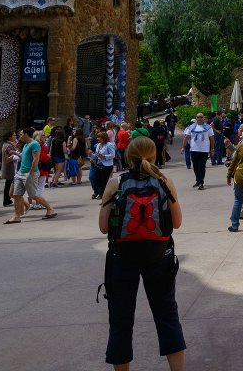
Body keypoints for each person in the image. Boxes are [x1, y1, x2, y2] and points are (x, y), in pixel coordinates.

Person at [99, 136, 186, 371]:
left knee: (120, 321)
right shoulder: (164, 182)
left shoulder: (116, 182)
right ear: (154, 155)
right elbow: (176, 223)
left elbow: (104, 227)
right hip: (159, 256)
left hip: (122, 257)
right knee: (167, 316)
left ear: (128, 156)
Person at [6, 129, 56, 223]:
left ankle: (50, 209)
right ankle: (17, 216)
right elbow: (24, 157)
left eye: (21, 134)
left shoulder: (34, 144)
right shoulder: (25, 145)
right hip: (21, 173)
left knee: (33, 195)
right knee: (16, 195)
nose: (19, 136)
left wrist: (31, 173)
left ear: (26, 134)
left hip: (29, 173)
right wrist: (16, 154)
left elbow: (36, 159)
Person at [182, 113, 213, 190]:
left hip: (204, 150)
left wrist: (212, 149)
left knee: (202, 166)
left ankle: (201, 182)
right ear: (196, 118)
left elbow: (212, 139)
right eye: (198, 117)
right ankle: (198, 180)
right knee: (195, 166)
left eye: (201, 117)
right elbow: (187, 137)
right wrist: (183, 147)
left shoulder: (208, 128)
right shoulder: (191, 127)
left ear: (203, 118)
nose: (200, 118)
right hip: (194, 149)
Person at [92, 130, 118, 199]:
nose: (97, 139)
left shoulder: (109, 145)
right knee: (96, 179)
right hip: (98, 164)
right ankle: (97, 192)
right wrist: (91, 156)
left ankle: (102, 194)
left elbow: (113, 155)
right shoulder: (98, 145)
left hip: (107, 165)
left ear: (103, 138)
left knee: (104, 180)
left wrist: (104, 156)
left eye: (99, 137)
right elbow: (96, 154)